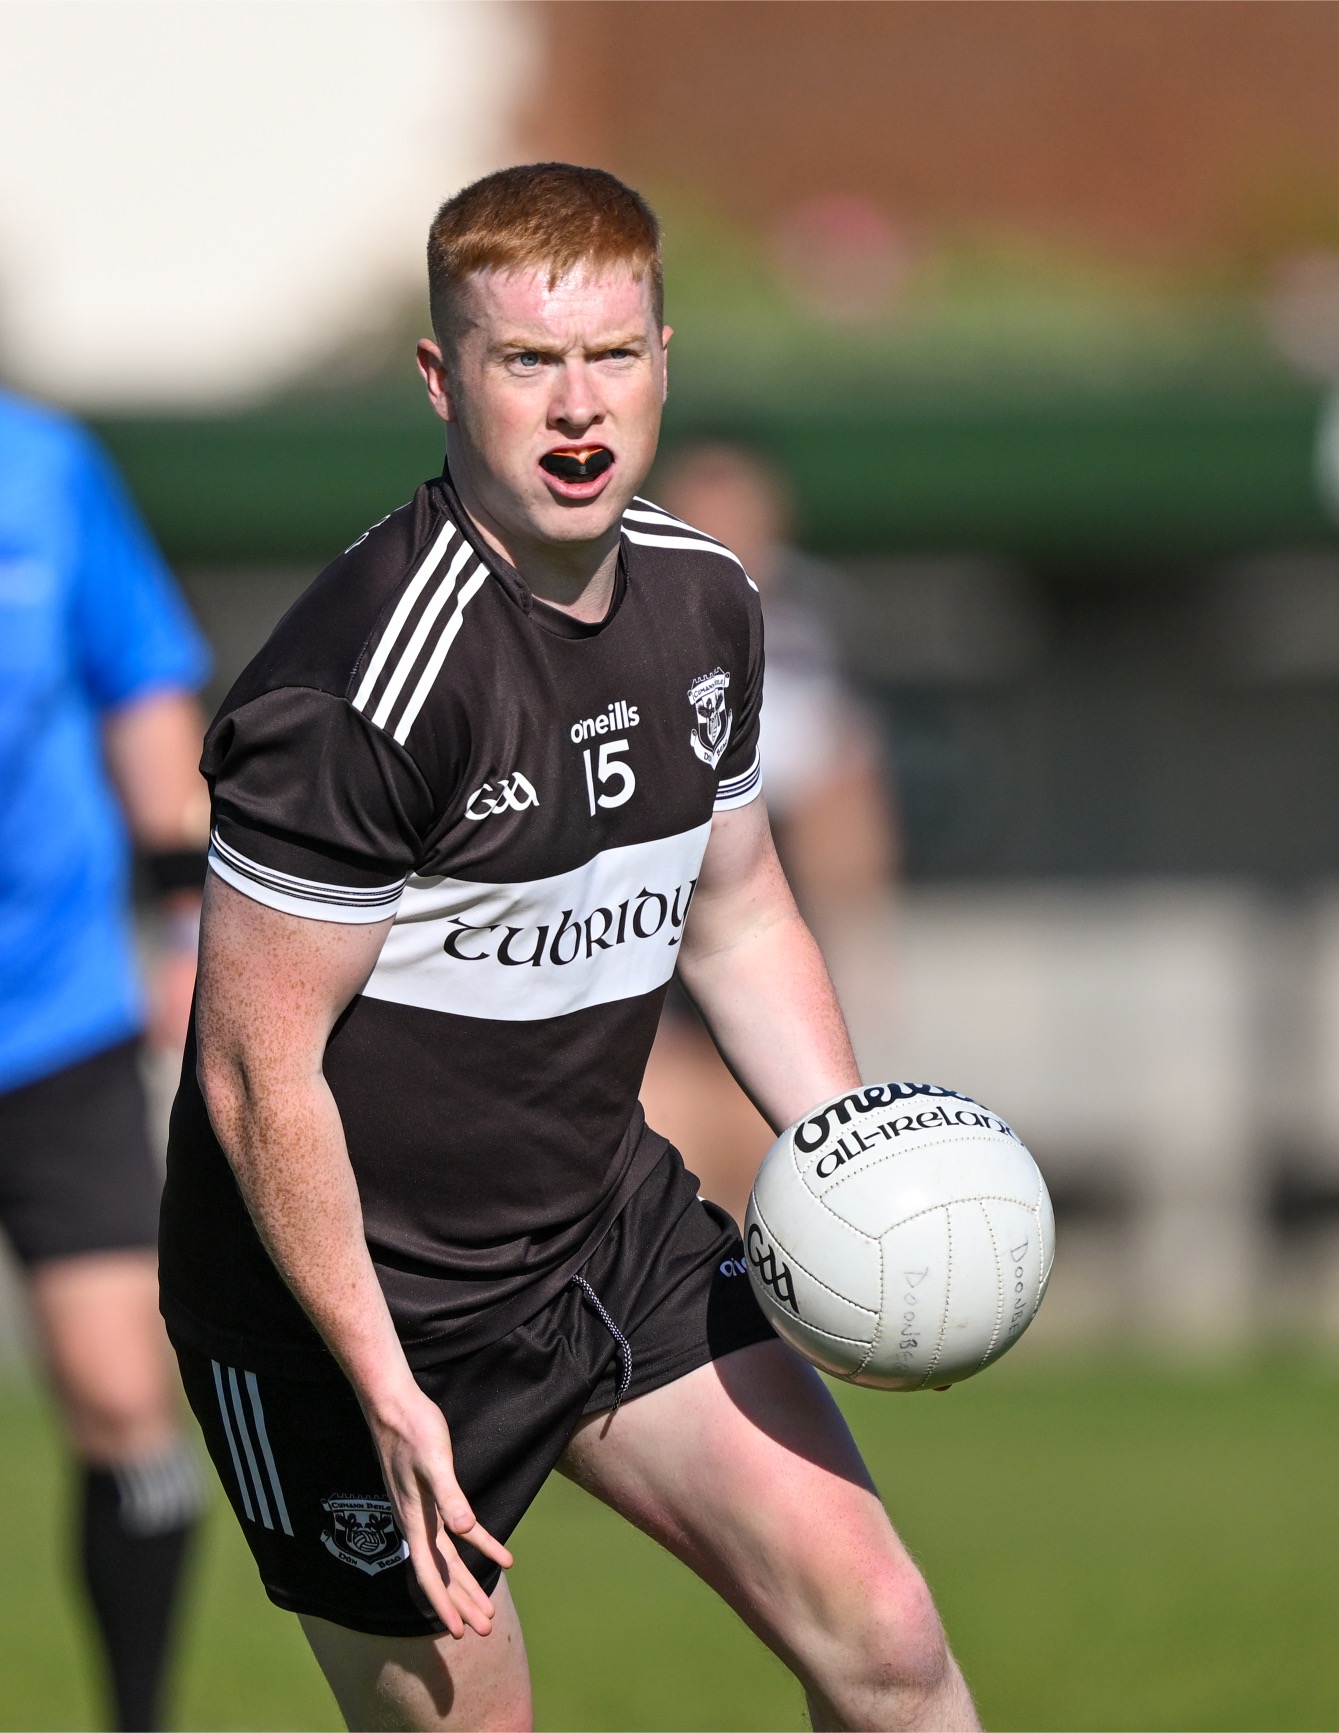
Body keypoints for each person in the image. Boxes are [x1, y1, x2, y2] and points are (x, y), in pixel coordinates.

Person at [159, 163, 977, 1732]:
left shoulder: (706, 600)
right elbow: (256, 1079)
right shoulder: (359, 690)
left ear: (664, 357)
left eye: (610, 352)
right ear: (441, 377)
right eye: (526, 359)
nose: (576, 401)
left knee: (884, 1640)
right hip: (351, 1321)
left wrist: (849, 1168)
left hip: (604, 1235)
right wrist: (383, 1384)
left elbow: (737, 907)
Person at [0, 389, 209, 1731]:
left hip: (55, 1014)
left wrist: (191, 925)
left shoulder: (45, 468)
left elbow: (143, 694)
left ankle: (138, 1717)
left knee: (126, 1390)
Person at [640, 443, 900, 1219]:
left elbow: (848, 794)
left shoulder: (817, 624)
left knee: (782, 1182)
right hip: (655, 919)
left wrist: (862, 943)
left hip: (769, 907)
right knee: (669, 1163)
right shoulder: (622, 618)